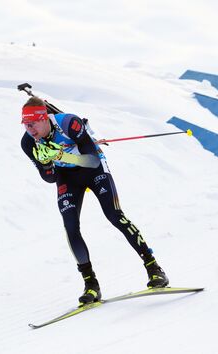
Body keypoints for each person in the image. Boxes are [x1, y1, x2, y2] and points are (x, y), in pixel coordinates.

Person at [20, 96, 169, 306]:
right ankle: (91, 284)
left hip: (93, 169)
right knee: (71, 227)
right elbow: (50, 178)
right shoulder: (28, 143)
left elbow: (92, 160)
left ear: (44, 119)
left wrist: (62, 155)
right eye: (26, 125)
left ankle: (154, 268)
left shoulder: (68, 123)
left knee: (114, 215)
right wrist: (46, 162)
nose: (30, 130)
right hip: (67, 178)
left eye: (32, 124)